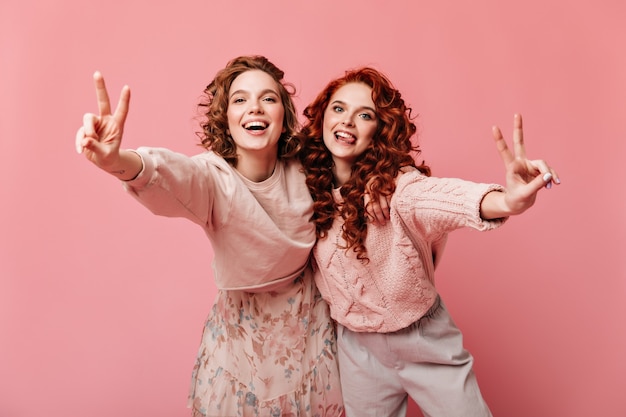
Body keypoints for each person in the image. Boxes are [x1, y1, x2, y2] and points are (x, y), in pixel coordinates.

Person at [75, 56, 345, 417]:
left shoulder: (310, 169)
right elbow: (171, 174)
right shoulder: (213, 178)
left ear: (284, 115)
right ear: (226, 119)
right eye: (239, 99)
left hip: (310, 337)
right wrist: (117, 162)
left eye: (268, 98)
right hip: (240, 346)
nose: (255, 107)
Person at [297, 67, 560, 417]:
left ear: (380, 130)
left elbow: (443, 198)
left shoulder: (399, 190)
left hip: (423, 337)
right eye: (339, 108)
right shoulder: (302, 186)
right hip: (357, 348)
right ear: (323, 115)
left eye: (365, 115)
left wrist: (507, 201)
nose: (348, 121)